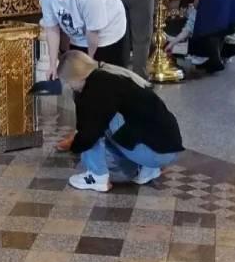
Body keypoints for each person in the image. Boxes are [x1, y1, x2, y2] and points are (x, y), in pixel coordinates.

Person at [38, 0, 127, 152]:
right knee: (78, 88)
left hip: (108, 33)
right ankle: (83, 134)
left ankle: (119, 137)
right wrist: (52, 63)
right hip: (79, 35)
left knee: (108, 86)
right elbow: (52, 28)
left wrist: (89, 64)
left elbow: (93, 32)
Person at [59, 50, 184, 191]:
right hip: (167, 149)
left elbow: (89, 133)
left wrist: (76, 146)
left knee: (92, 123)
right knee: (108, 121)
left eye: (67, 82)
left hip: (153, 152)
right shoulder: (111, 73)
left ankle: (97, 177)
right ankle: (147, 170)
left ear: (75, 77)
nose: (69, 86)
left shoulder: (96, 88)